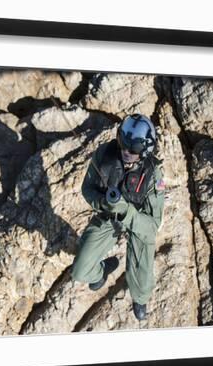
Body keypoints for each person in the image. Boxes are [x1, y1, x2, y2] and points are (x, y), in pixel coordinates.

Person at [70, 113, 166, 320]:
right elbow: (88, 189)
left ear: (145, 149)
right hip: (109, 216)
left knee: (142, 273)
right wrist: (103, 202)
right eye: (123, 144)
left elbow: (153, 224)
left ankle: (140, 298)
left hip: (138, 220)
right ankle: (103, 270)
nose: (126, 152)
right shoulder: (104, 154)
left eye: (134, 149)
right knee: (80, 272)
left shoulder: (153, 173)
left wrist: (127, 212)